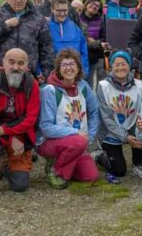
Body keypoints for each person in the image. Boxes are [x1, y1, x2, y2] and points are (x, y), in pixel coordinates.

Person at [0, 48, 41, 200]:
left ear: (26, 66)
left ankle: (3, 163)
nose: (15, 67)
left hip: (20, 134)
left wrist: (6, 132)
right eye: (11, 62)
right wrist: (10, 137)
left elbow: (31, 119)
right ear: (3, 63)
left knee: (20, 186)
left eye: (20, 63)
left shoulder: (32, 85)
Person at [37, 49, 100, 188]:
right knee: (77, 142)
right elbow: (46, 127)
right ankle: (55, 169)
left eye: (72, 64)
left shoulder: (83, 86)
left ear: (78, 68)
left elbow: (95, 112)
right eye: (64, 65)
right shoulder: (49, 90)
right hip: (50, 142)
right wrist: (76, 134)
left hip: (78, 142)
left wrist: (89, 137)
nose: (69, 68)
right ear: (59, 69)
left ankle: (66, 165)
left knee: (91, 176)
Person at [94, 50, 142, 183]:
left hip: (131, 124)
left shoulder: (139, 84)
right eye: (116, 64)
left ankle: (137, 165)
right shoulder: (103, 86)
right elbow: (106, 118)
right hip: (110, 131)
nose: (120, 67)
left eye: (124, 64)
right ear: (111, 66)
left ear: (130, 65)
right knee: (119, 171)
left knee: (141, 131)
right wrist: (124, 137)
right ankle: (99, 155)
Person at [0, 0, 54, 81]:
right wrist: (5, 26)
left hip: (27, 73)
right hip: (1, 72)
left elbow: (46, 48)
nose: (18, 1)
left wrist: (46, 73)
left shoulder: (38, 18)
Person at [48, 0, 89, 77]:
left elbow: (83, 51)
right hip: (53, 76)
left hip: (73, 75)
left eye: (65, 10)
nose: (62, 13)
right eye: (59, 10)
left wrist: (84, 71)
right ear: (52, 10)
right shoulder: (46, 28)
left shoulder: (75, 27)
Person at [79, 0, 110, 88]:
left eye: (97, 6)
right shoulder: (78, 18)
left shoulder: (100, 20)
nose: (94, 6)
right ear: (86, 5)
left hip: (94, 56)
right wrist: (91, 41)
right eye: (92, 3)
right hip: (80, 55)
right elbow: (80, 39)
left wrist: (95, 42)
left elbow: (104, 37)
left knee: (90, 82)